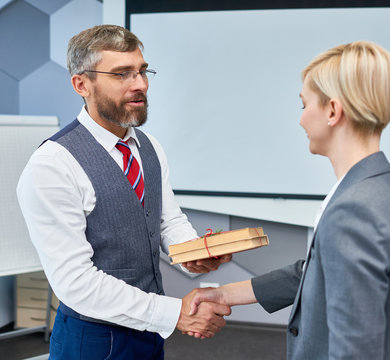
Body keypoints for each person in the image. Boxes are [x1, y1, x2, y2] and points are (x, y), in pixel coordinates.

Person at [187, 41, 390, 359]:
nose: (301, 120)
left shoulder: (354, 209)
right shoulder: (381, 190)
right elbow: (313, 273)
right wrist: (223, 292)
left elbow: (355, 348)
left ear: (333, 111)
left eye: (304, 105)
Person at [16, 25, 232, 359]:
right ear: (81, 84)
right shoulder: (52, 165)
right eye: (122, 74)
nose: (140, 84)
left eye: (143, 72)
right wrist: (174, 312)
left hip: (147, 333)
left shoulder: (149, 147)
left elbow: (166, 221)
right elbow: (76, 283)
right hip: (92, 340)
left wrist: (193, 255)